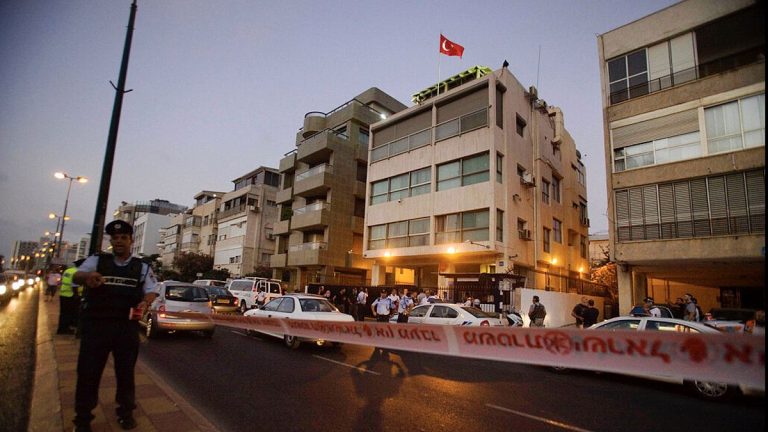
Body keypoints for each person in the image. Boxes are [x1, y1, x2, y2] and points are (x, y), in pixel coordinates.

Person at [72, 220, 158, 432]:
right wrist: (88, 276)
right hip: (96, 327)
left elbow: (152, 290)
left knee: (126, 374)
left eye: (123, 238)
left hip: (125, 328)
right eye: (115, 238)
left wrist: (145, 302)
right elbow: (76, 275)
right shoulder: (97, 261)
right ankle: (83, 420)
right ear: (111, 241)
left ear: (131, 240)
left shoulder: (141, 267)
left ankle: (125, 414)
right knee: (88, 374)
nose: (119, 241)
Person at [56, 259, 84, 335]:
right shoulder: (78, 272)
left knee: (63, 313)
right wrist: (76, 295)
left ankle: (61, 329)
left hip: (63, 293)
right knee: (69, 313)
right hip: (71, 295)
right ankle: (65, 329)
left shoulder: (68, 271)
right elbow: (74, 285)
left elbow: (63, 281)